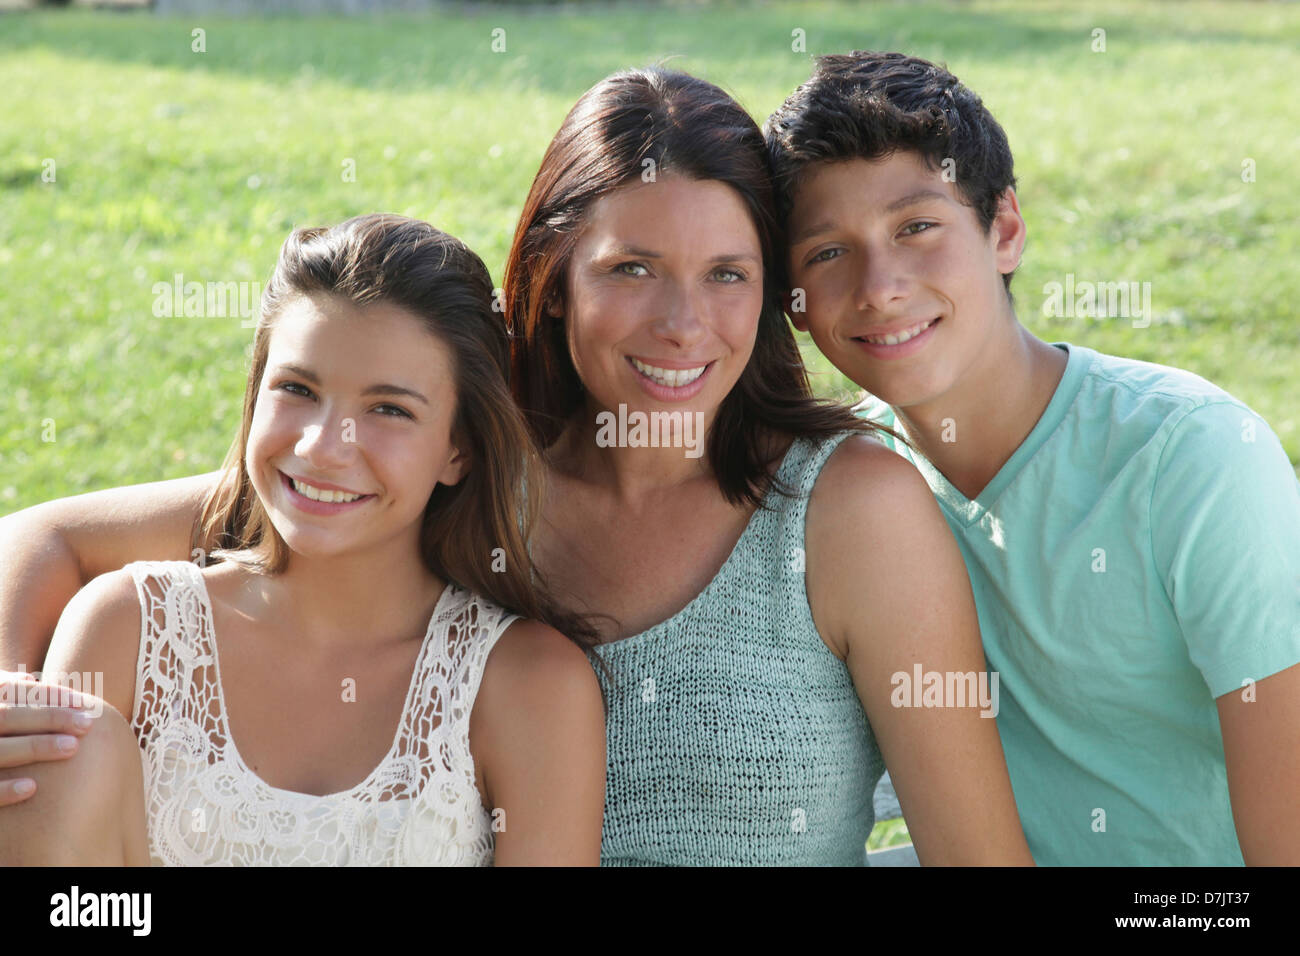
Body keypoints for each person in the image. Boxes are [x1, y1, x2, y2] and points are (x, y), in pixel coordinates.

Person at [0, 70, 1032, 866]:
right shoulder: (464, 473)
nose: (682, 323)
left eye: (727, 274)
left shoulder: (845, 506)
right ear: (549, 278)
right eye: (630, 269)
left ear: (768, 295)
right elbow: (47, 536)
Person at [764, 50, 1300, 865]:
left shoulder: (1193, 458)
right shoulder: (845, 486)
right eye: (828, 253)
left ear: (1004, 229)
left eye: (917, 228)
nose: (879, 286)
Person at [0, 214, 606, 865]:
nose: (322, 448)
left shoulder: (528, 686)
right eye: (297, 388)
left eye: (389, 409)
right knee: (70, 740)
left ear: (457, 450)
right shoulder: (127, 629)